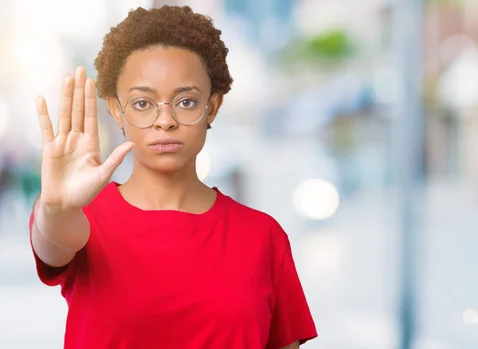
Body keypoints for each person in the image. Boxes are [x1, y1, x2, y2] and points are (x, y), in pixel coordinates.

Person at [30, 5, 317, 349]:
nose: (164, 121)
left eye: (185, 101)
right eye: (142, 103)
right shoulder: (83, 220)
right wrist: (55, 205)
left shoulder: (263, 238)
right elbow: (54, 238)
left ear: (212, 106)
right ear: (115, 110)